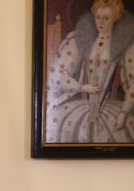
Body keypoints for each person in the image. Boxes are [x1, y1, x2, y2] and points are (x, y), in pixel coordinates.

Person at [45, 0, 134, 143]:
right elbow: (59, 74)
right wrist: (81, 87)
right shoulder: (80, 39)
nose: (101, 22)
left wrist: (124, 113)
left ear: (115, 19)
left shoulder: (125, 44)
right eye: (98, 17)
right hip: (81, 108)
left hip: (111, 110)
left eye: (106, 18)